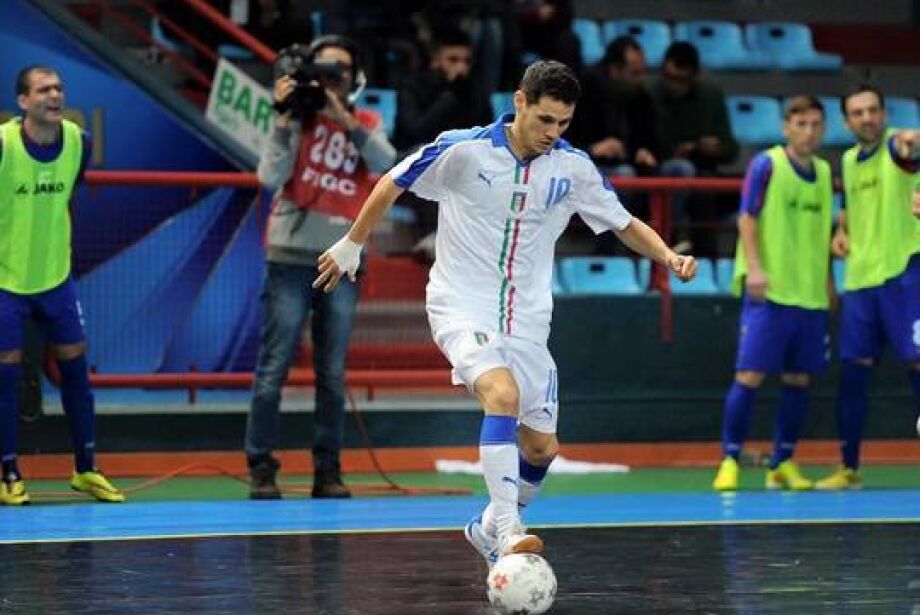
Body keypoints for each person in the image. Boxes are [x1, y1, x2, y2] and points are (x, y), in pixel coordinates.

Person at [313, 60, 698, 561]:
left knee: (541, 450)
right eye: (544, 120)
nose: (552, 133)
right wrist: (352, 244)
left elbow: (624, 223)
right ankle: (510, 527)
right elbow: (394, 181)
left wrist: (668, 255)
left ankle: (487, 525)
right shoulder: (464, 149)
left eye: (563, 123)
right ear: (520, 102)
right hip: (460, 305)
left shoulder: (573, 167)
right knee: (502, 393)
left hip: (529, 323)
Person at [244, 35, 396, 500]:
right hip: (289, 258)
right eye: (325, 70)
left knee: (332, 373)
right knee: (274, 367)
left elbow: (387, 164)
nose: (333, 79)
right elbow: (268, 178)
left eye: (341, 72)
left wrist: (344, 120)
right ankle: (262, 469)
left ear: (354, 80)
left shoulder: (366, 120)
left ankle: (327, 472)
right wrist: (284, 119)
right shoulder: (296, 120)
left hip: (342, 260)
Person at [0, 66, 124, 505]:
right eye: (43, 90)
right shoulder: (3, 146)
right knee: (7, 374)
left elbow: (69, 192)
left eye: (58, 88)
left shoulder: (78, 141)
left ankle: (86, 469)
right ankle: (8, 472)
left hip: (56, 279)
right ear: (22, 101)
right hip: (6, 281)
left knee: (76, 369)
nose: (54, 95)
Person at [712, 96, 834, 492]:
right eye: (801, 124)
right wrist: (756, 268)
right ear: (786, 127)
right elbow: (746, 217)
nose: (809, 131)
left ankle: (782, 462)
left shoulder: (824, 171)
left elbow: (823, 235)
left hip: (810, 294)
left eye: (816, 124)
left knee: (800, 380)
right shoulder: (767, 164)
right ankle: (730, 459)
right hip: (772, 291)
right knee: (749, 375)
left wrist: (828, 281)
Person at [815, 85, 920, 490]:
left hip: (904, 274)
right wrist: (842, 231)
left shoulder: (897, 149)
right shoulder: (846, 160)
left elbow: (910, 151)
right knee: (854, 374)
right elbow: (853, 207)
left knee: (917, 365)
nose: (866, 118)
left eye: (873, 110)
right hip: (859, 280)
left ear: (885, 113)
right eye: (857, 113)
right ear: (846, 121)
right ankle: (849, 468)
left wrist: (913, 141)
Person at [649, 41, 739, 253]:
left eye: (681, 80)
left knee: (716, 186)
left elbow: (731, 149)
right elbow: (641, 146)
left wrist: (717, 148)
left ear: (694, 77)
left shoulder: (711, 96)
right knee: (685, 173)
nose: (674, 85)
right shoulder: (649, 95)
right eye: (669, 78)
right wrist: (675, 152)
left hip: (703, 170)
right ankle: (673, 241)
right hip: (659, 172)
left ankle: (709, 262)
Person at [569, 35, 658, 177]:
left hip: (626, 163)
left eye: (643, 72)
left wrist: (640, 152)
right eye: (635, 73)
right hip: (587, 165)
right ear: (615, 70)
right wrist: (592, 150)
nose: (641, 80)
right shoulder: (583, 92)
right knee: (625, 174)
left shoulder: (641, 97)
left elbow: (648, 139)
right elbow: (563, 143)